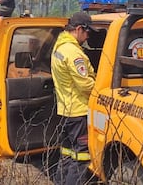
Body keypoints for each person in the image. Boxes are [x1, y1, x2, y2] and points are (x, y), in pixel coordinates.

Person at [51, 12, 98, 185]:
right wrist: (102, 92)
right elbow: (85, 85)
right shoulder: (73, 53)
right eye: (87, 32)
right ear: (79, 29)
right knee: (81, 158)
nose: (88, 37)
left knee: (67, 154)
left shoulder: (60, 46)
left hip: (65, 110)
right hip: (79, 111)